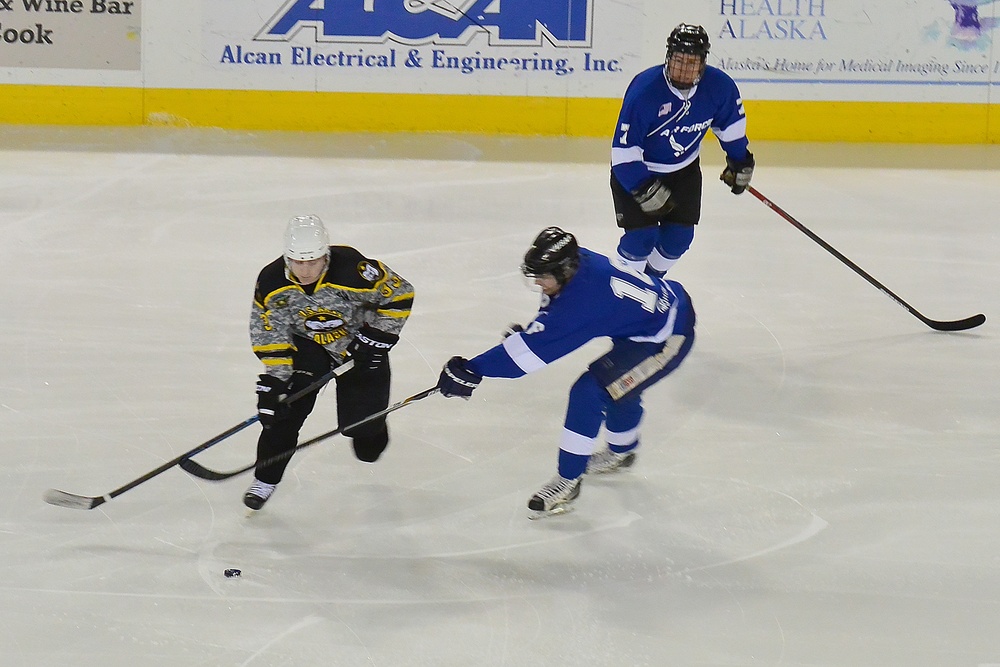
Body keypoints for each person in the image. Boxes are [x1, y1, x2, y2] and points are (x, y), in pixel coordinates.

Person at [436, 227, 696, 518]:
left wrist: (472, 369)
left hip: (667, 338)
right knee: (620, 386)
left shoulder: (582, 302)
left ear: (566, 269)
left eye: (543, 276)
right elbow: (548, 323)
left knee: (590, 391)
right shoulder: (579, 264)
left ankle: (568, 480)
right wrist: (535, 334)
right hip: (652, 320)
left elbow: (528, 358)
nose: (537, 283)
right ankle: (622, 451)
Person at [244, 214, 414, 510]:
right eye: (298, 262)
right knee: (283, 414)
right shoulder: (271, 282)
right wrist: (275, 380)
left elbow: (400, 295)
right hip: (307, 346)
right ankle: (265, 479)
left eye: (314, 261)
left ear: (326, 255)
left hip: (359, 347)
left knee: (364, 441)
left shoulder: (356, 270)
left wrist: (375, 340)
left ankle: (373, 425)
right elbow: (270, 329)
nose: (306, 269)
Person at [611, 23, 754, 277]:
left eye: (692, 62)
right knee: (642, 237)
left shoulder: (719, 87)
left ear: (703, 63)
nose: (684, 69)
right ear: (668, 57)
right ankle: (621, 293)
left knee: (679, 238)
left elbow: (730, 128)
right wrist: (642, 186)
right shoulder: (645, 91)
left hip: (684, 172)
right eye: (679, 60)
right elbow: (623, 153)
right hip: (638, 172)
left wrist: (739, 161)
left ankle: (650, 285)